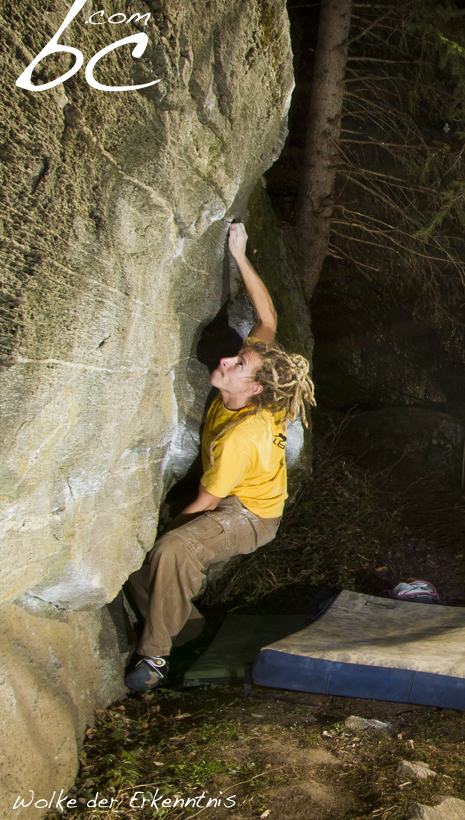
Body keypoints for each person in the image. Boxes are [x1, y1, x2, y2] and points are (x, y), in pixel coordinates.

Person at [123, 222, 315, 691]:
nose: (227, 360)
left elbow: (207, 504)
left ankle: (155, 658)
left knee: (171, 549)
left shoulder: (241, 438)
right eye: (236, 356)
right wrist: (241, 255)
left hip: (250, 515)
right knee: (138, 564)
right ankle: (188, 628)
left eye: (238, 365)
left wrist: (170, 530)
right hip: (237, 494)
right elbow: (267, 316)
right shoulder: (257, 379)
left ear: (252, 389)